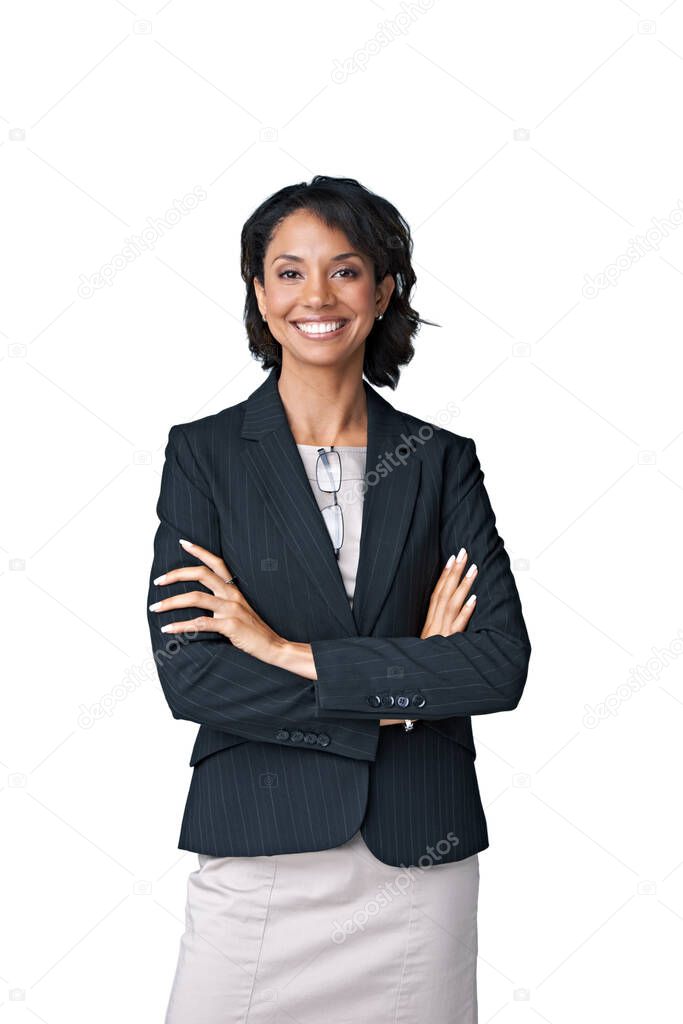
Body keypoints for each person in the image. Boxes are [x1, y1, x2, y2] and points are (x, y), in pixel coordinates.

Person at [146, 174, 532, 1024]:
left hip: (416, 863)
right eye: (288, 272)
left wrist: (286, 651)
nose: (315, 296)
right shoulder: (204, 456)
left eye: (345, 270)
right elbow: (195, 678)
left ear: (384, 288)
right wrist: (400, 695)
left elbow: (496, 666)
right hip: (259, 848)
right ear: (256, 289)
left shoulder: (437, 461)